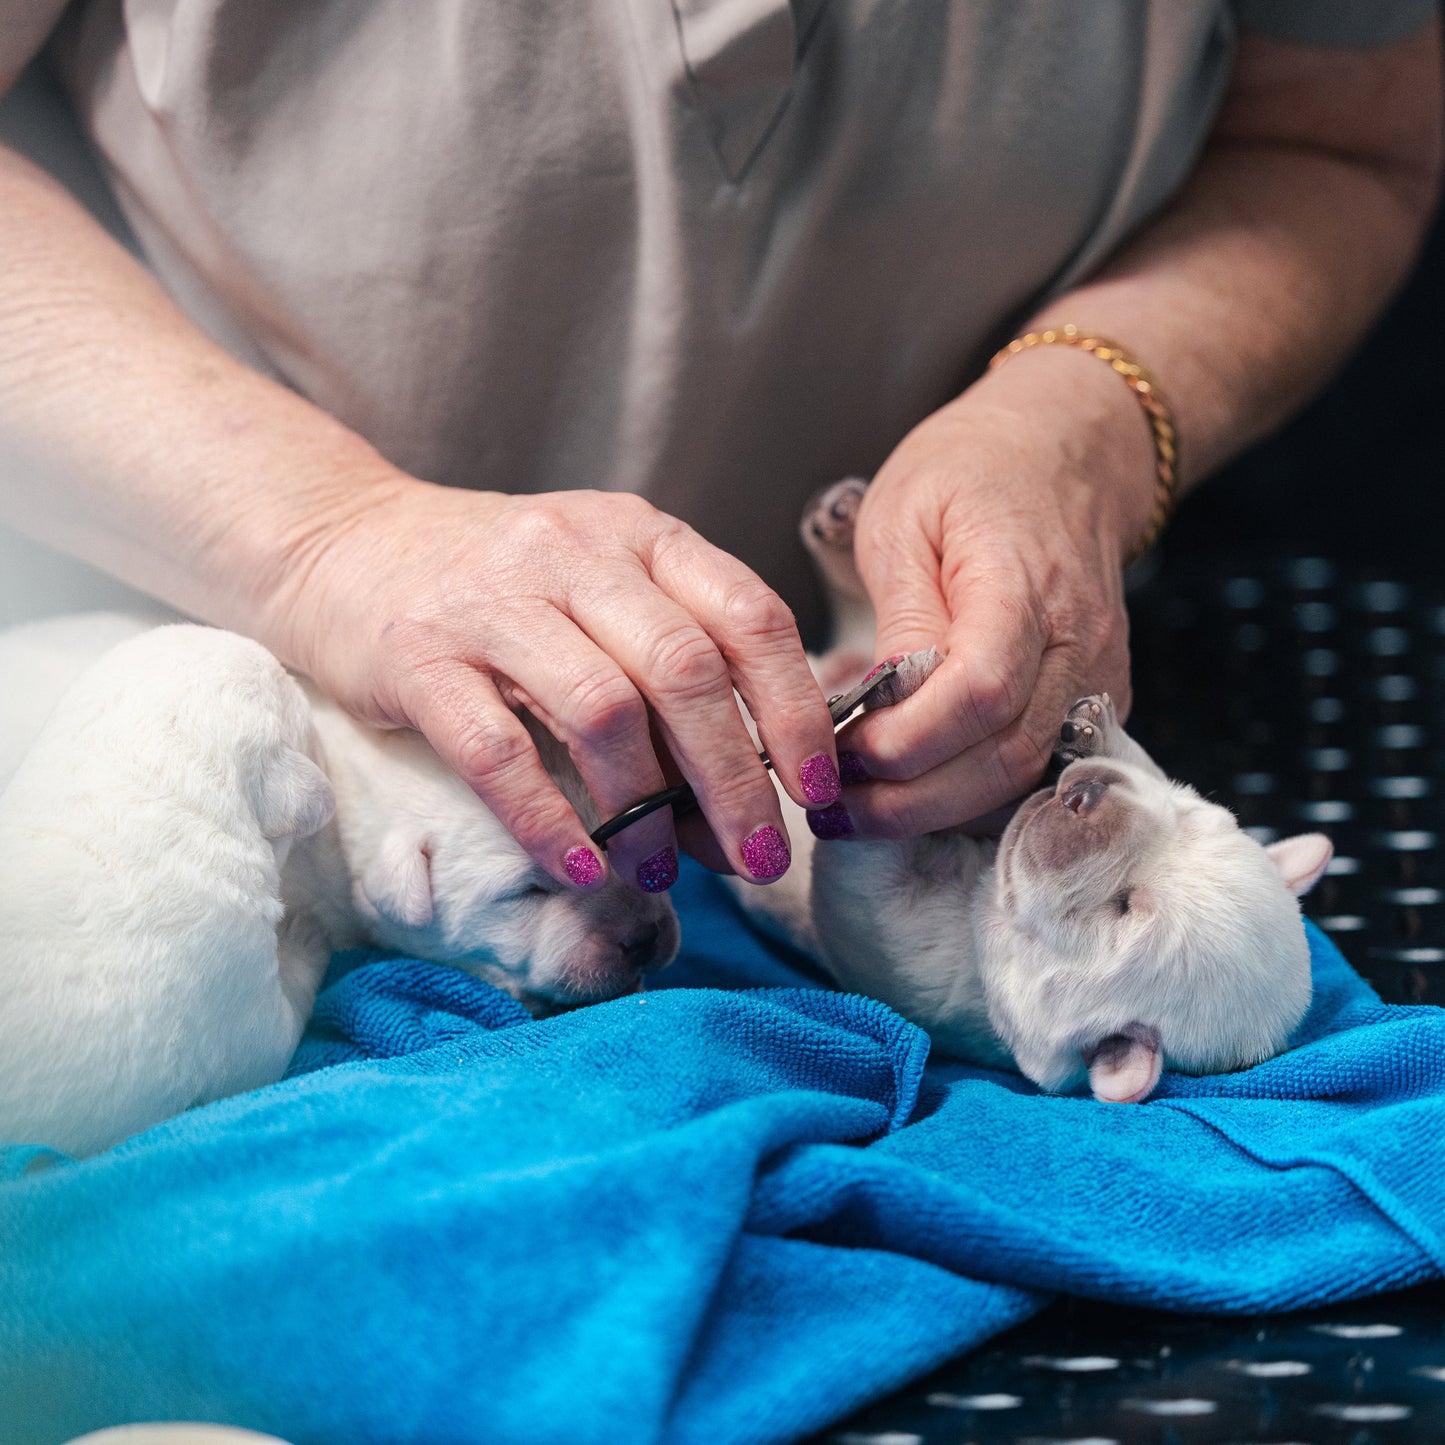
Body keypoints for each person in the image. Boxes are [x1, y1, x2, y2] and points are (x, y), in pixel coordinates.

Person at [0, 1, 1439, 898]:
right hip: (149, 731)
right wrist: (322, 532)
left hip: (985, 771)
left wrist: (1082, 419)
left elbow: (1333, 138)